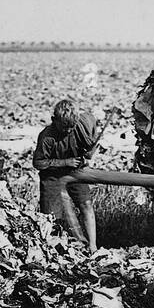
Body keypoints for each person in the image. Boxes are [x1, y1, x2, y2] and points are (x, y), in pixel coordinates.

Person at [33, 100, 99, 252]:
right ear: (54, 120)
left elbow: (89, 143)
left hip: (75, 173)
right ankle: (55, 249)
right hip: (52, 176)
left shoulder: (78, 127)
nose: (69, 131)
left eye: (72, 127)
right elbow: (38, 162)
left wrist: (88, 153)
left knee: (86, 204)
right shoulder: (47, 137)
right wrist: (64, 162)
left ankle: (92, 245)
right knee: (51, 216)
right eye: (65, 127)